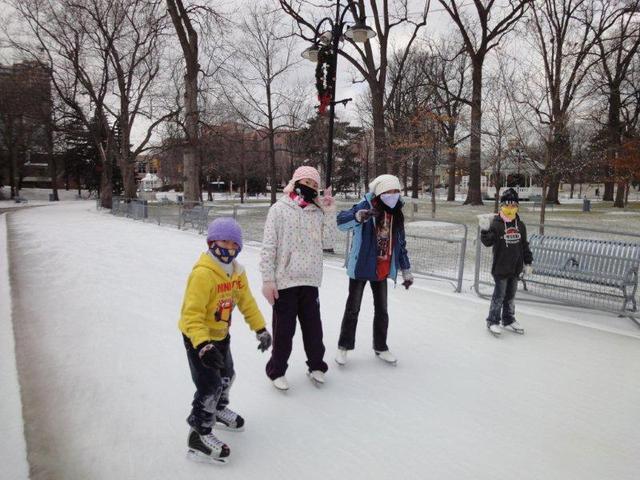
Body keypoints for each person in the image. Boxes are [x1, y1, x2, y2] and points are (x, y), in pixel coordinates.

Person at [179, 217, 272, 463]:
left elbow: (246, 301)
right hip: (199, 340)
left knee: (226, 376)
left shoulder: (237, 273)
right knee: (209, 386)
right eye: (223, 242)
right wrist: (202, 345)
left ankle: (218, 410)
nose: (228, 247)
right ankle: (199, 435)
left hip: (220, 336)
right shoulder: (203, 274)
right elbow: (191, 315)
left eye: (233, 243)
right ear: (211, 243)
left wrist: (260, 328)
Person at [260, 166, 337, 390]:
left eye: (314, 185)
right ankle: (276, 370)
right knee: (284, 331)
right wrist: (268, 280)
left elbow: (328, 242)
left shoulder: (318, 212)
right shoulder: (279, 209)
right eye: (306, 182)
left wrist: (329, 212)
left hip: (310, 280)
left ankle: (316, 366)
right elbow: (269, 247)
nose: (310, 187)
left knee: (314, 329)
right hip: (285, 281)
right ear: (295, 183)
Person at [335, 174, 413, 366]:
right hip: (362, 266)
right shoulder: (365, 206)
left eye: (396, 191)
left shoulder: (396, 213)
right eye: (388, 191)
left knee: (382, 310)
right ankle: (344, 346)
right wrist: (357, 217)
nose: (393, 195)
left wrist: (406, 269)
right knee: (353, 308)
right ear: (379, 193)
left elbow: (400, 244)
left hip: (382, 269)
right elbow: (341, 222)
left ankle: (381, 346)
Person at [479, 188, 533, 336]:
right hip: (500, 268)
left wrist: (528, 262)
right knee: (499, 296)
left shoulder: (520, 226)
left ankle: (508, 319)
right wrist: (484, 230)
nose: (510, 208)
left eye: (513, 205)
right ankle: (492, 321)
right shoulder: (496, 225)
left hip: (515, 268)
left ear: (517, 207)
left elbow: (524, 245)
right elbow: (488, 242)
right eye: (507, 205)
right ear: (502, 206)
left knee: (510, 296)